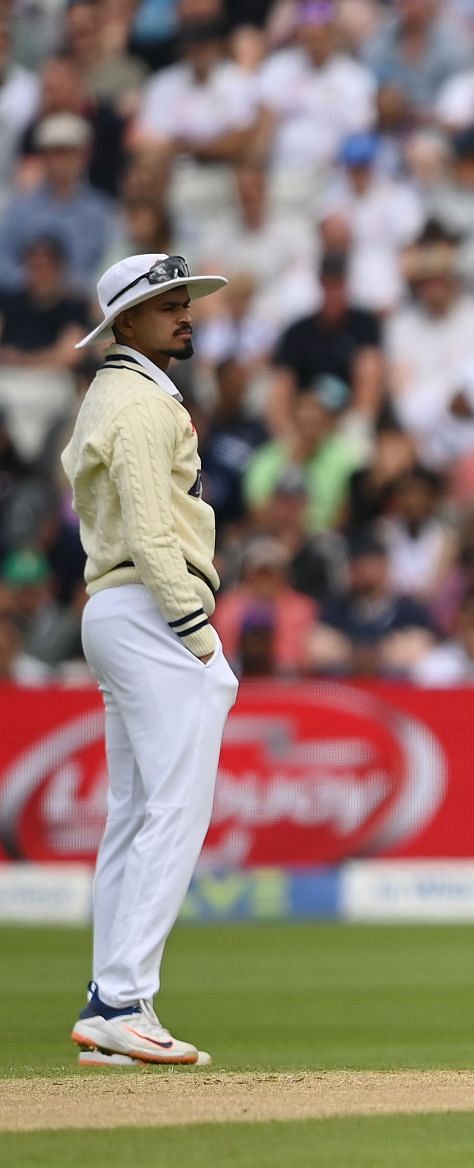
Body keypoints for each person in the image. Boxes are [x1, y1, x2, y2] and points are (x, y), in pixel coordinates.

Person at [59, 252, 238, 1066]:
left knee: (135, 812)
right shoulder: (135, 402)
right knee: (175, 807)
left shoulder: (130, 392)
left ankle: (111, 1003)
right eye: (165, 303)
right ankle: (124, 997)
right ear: (124, 323)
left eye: (183, 298)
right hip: (151, 609)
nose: (183, 312)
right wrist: (198, 632)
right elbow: (147, 526)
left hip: (122, 609)